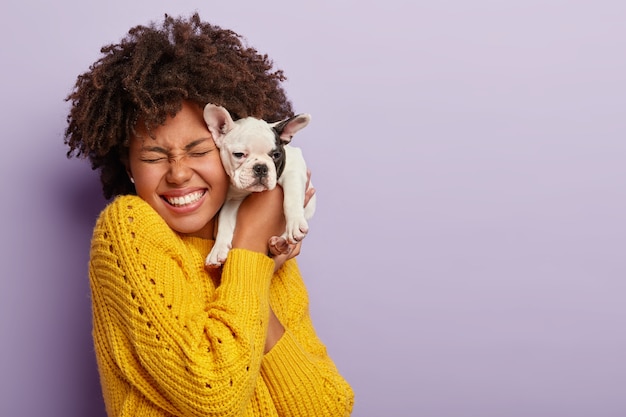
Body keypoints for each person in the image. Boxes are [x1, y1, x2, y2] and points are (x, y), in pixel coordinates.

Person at [64, 13, 354, 417]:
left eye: (200, 151)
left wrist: (256, 267)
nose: (179, 172)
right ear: (128, 167)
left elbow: (329, 407)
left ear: (227, 145)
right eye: (152, 155)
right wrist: (251, 249)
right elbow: (213, 392)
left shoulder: (261, 251)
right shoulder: (129, 227)